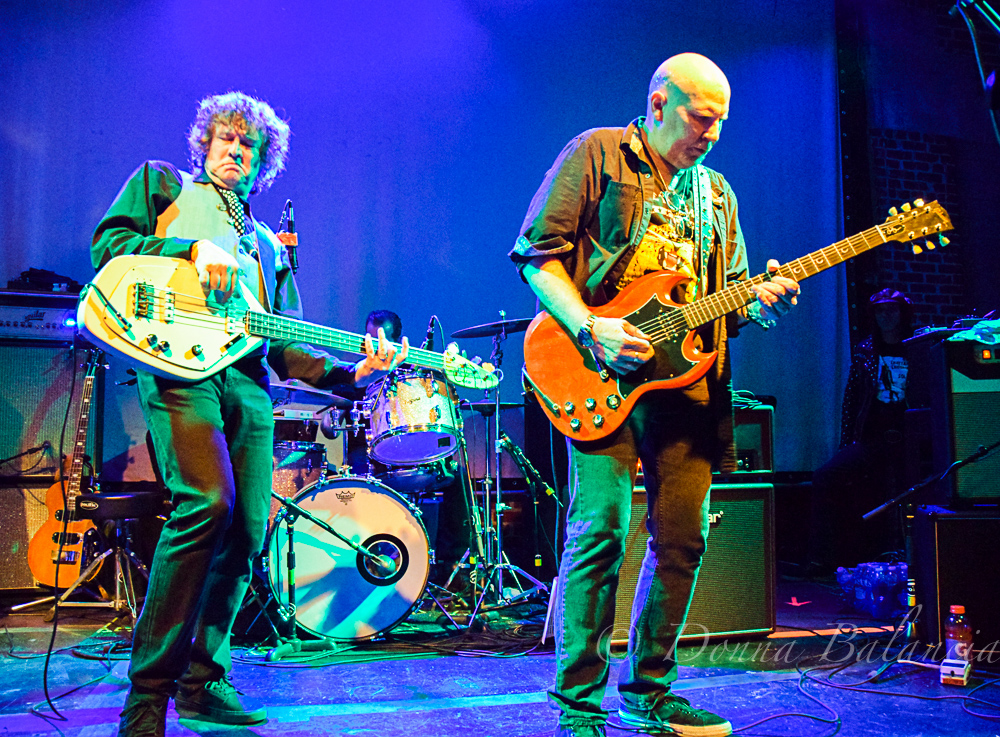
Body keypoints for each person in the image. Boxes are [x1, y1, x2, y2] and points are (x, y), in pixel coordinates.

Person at [92, 92, 408, 737]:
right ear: (204, 143)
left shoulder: (266, 243)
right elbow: (110, 247)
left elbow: (287, 344)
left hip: (249, 383)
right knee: (206, 504)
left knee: (247, 529)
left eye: (248, 145)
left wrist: (356, 374)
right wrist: (186, 253)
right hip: (181, 370)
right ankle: (146, 700)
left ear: (262, 161)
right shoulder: (163, 186)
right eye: (225, 140)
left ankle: (203, 683)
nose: (235, 151)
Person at [509, 54, 799, 737]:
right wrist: (589, 326)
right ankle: (577, 704)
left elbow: (724, 301)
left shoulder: (717, 195)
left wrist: (759, 303)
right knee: (601, 529)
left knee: (684, 538)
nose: (713, 134)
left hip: (687, 388)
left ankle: (649, 690)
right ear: (660, 102)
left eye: (722, 121)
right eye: (702, 118)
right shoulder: (598, 153)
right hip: (597, 370)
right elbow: (535, 254)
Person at [810, 288, 916, 570]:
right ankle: (826, 558)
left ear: (902, 313)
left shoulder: (917, 347)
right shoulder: (866, 351)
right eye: (880, 311)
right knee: (825, 477)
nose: (886, 316)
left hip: (912, 439)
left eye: (891, 310)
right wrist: (848, 442)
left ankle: (916, 557)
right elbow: (851, 399)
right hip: (873, 438)